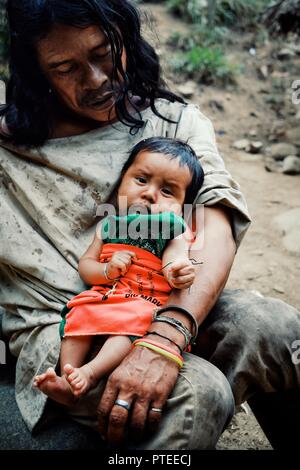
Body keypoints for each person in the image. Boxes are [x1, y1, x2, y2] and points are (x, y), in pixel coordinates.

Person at [0, 0, 299, 450]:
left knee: (274, 326)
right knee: (198, 395)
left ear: (126, 34)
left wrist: (167, 333)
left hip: (155, 304)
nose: (97, 79)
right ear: (35, 70)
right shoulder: (11, 151)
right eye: (65, 67)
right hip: (68, 327)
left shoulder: (174, 124)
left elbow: (214, 222)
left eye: (104, 52)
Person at [33, 137, 203, 402]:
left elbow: (174, 257)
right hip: (106, 294)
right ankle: (68, 380)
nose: (149, 193)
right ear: (123, 180)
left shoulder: (173, 228)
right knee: (79, 313)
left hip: (144, 300)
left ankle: (90, 374)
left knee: (131, 325)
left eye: (168, 191)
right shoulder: (110, 226)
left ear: (182, 206)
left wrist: (176, 272)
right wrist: (107, 271)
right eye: (141, 180)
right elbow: (86, 267)